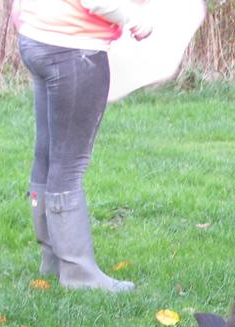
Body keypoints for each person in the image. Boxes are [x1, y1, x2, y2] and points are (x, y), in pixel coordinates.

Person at [13, 0, 154, 292]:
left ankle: (52, 258)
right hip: (72, 49)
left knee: (47, 155)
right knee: (68, 165)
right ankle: (78, 273)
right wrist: (135, 18)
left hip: (38, 37)